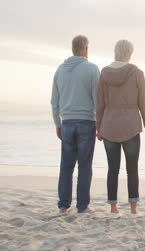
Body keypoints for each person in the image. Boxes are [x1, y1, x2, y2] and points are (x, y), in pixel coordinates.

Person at [96, 39, 145, 218]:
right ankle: (133, 210)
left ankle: (113, 209)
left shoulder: (104, 73)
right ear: (130, 53)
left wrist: (99, 128)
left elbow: (100, 104)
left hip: (109, 125)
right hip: (130, 126)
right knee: (132, 169)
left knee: (112, 169)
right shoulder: (136, 73)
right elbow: (144, 103)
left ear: (115, 52)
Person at [51, 35, 100, 215]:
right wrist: (100, 124)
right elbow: (98, 100)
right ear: (86, 49)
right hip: (87, 122)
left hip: (67, 123)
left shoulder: (60, 70)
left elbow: (54, 101)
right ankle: (82, 206)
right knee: (85, 165)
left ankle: (63, 206)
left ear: (73, 49)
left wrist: (58, 123)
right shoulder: (92, 69)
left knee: (66, 165)